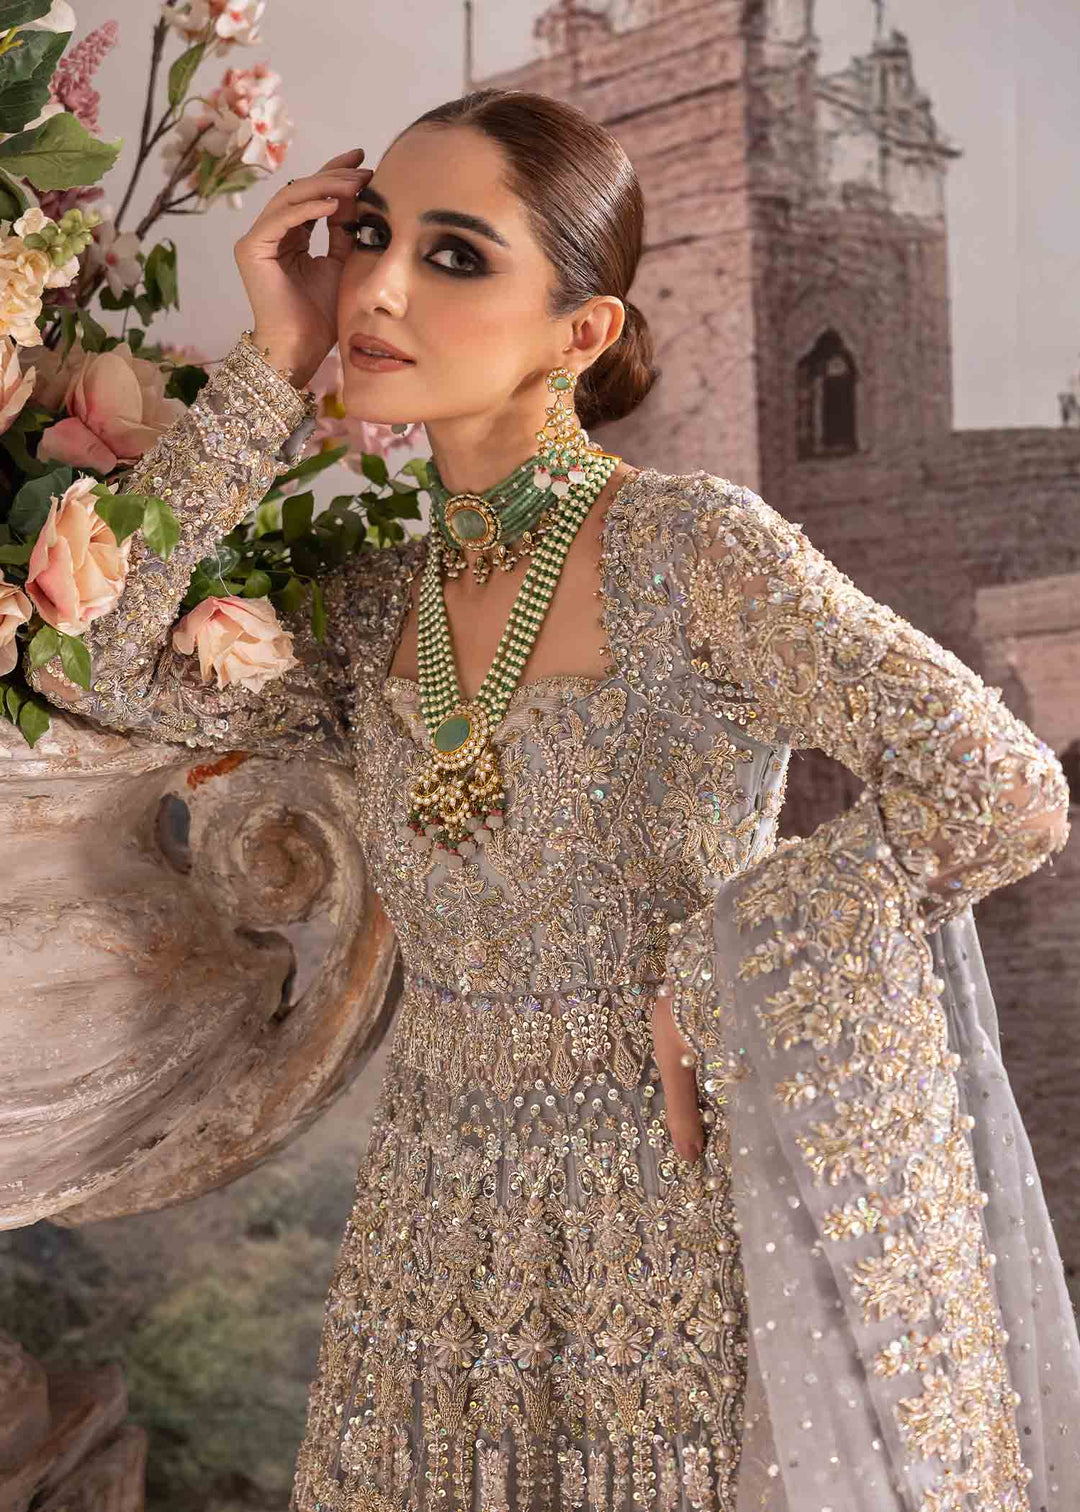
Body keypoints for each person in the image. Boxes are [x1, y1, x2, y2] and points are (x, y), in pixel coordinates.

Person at [23, 88, 1080, 1512]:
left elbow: (998, 787)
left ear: (581, 334)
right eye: (373, 234)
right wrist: (277, 357)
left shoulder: (692, 554)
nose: (380, 287)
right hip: (432, 1249)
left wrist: (724, 967)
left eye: (455, 255)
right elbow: (95, 660)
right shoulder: (372, 610)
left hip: (672, 1222)